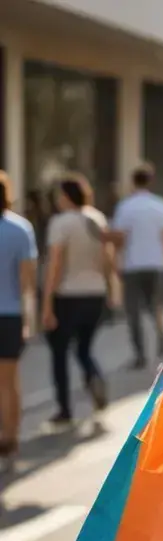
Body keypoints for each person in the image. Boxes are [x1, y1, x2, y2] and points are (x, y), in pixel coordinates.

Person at [41, 175, 113, 427]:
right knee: (84, 348)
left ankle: (64, 409)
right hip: (95, 293)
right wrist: (112, 290)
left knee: (59, 351)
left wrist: (47, 304)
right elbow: (107, 258)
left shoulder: (61, 223)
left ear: (66, 196)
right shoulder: (97, 218)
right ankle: (94, 375)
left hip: (67, 295)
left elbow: (55, 263)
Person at [107, 165, 163, 369]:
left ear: (132, 182)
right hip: (157, 263)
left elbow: (119, 237)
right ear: (150, 181)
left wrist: (116, 255)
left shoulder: (125, 206)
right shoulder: (161, 205)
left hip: (133, 264)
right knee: (155, 305)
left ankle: (140, 354)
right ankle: (162, 333)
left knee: (133, 311)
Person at [0, 171, 37, 471]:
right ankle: (11, 439)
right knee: (9, 382)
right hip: (9, 315)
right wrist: (29, 319)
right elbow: (27, 281)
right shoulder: (20, 228)